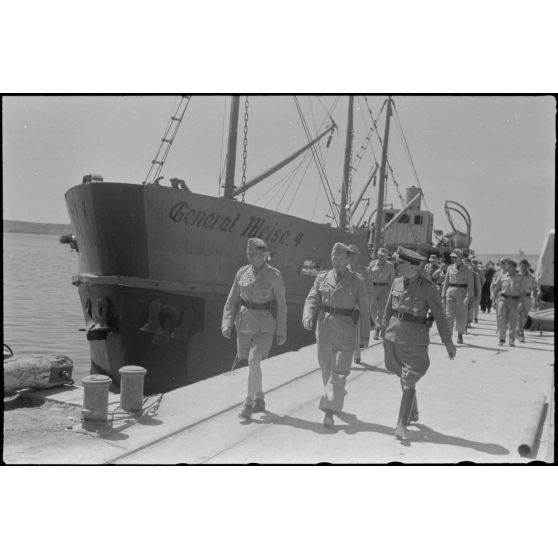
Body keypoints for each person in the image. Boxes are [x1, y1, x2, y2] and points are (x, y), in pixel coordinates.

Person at [382, 246, 456, 441]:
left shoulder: (428, 288)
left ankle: (401, 424)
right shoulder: (397, 281)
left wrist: (448, 343)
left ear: (414, 267)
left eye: (401, 263)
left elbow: (440, 317)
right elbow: (389, 308)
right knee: (403, 376)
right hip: (393, 338)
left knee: (409, 380)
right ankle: (412, 412)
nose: (397, 266)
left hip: (415, 342)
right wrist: (382, 329)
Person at [302, 242, 370, 427]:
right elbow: (312, 298)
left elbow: (364, 308)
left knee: (339, 373)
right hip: (324, 330)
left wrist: (364, 336)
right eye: (334, 258)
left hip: (346, 331)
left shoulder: (357, 280)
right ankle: (334, 397)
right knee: (327, 371)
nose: (336, 261)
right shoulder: (323, 277)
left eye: (340, 258)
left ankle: (329, 410)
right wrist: (308, 316)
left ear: (348, 259)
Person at [222, 238, 287, 420]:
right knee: (253, 364)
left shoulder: (275, 276)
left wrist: (282, 331)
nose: (249, 257)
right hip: (244, 324)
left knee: (253, 360)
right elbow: (232, 300)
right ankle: (260, 398)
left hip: (265, 326)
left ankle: (248, 404)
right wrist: (227, 323)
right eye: (248, 253)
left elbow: (281, 305)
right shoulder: (242, 272)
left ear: (265, 255)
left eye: (253, 254)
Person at [347, 244, 376, 364]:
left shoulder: (364, 272)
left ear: (358, 256)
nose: (352, 257)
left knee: (356, 333)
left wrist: (363, 307)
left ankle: (357, 355)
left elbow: (370, 292)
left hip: (357, 308)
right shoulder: (343, 269)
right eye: (349, 254)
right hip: (343, 306)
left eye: (354, 255)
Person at [441, 248, 474, 344]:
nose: (453, 259)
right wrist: (443, 295)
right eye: (452, 257)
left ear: (460, 257)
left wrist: (468, 296)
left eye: (455, 257)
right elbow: (446, 282)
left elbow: (470, 284)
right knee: (448, 315)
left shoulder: (468, 269)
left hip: (462, 293)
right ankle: (448, 335)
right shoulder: (450, 267)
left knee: (461, 315)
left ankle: (460, 333)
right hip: (450, 292)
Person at [491, 259, 522, 346]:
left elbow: (522, 291)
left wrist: (521, 303)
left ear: (514, 267)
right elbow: (496, 288)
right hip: (503, 299)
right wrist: (493, 301)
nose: (507, 267)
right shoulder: (502, 276)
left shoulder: (520, 277)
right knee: (501, 319)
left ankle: (511, 340)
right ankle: (501, 339)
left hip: (514, 300)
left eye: (509, 266)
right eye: (507, 266)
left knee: (513, 321)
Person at [368, 247, 395, 340]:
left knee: (382, 310)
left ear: (386, 256)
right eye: (379, 255)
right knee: (372, 309)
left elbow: (392, 279)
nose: (380, 256)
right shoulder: (372, 264)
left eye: (383, 255)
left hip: (385, 288)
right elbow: (368, 277)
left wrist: (391, 290)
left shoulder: (390, 266)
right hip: (373, 288)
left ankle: (378, 330)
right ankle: (379, 326)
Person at [517, 258, 538, 343]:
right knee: (519, 314)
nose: (523, 267)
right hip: (518, 298)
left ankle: (518, 330)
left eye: (525, 266)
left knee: (525, 316)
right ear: (519, 266)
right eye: (522, 266)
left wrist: (536, 300)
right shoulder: (516, 276)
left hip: (527, 298)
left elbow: (535, 289)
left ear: (527, 267)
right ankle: (521, 333)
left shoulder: (531, 277)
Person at [468, 258, 484, 325]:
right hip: (470, 289)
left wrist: (479, 285)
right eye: (473, 263)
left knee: (476, 304)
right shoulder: (468, 270)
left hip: (477, 289)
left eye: (476, 263)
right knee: (470, 304)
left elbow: (483, 280)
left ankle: (475, 317)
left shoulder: (480, 271)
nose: (474, 264)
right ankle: (470, 319)